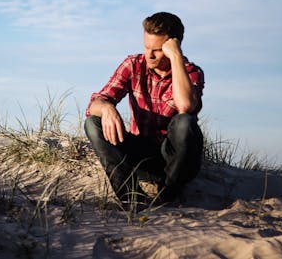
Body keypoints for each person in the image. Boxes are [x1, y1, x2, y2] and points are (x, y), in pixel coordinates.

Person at [84, 12, 204, 203]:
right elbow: (95, 103)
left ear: (174, 45)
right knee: (92, 123)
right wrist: (107, 108)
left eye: (157, 49)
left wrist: (175, 57)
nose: (150, 54)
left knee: (185, 122)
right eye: (146, 47)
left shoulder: (191, 72)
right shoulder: (134, 64)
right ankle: (132, 198)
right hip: (142, 155)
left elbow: (186, 106)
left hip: (177, 159)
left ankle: (168, 196)